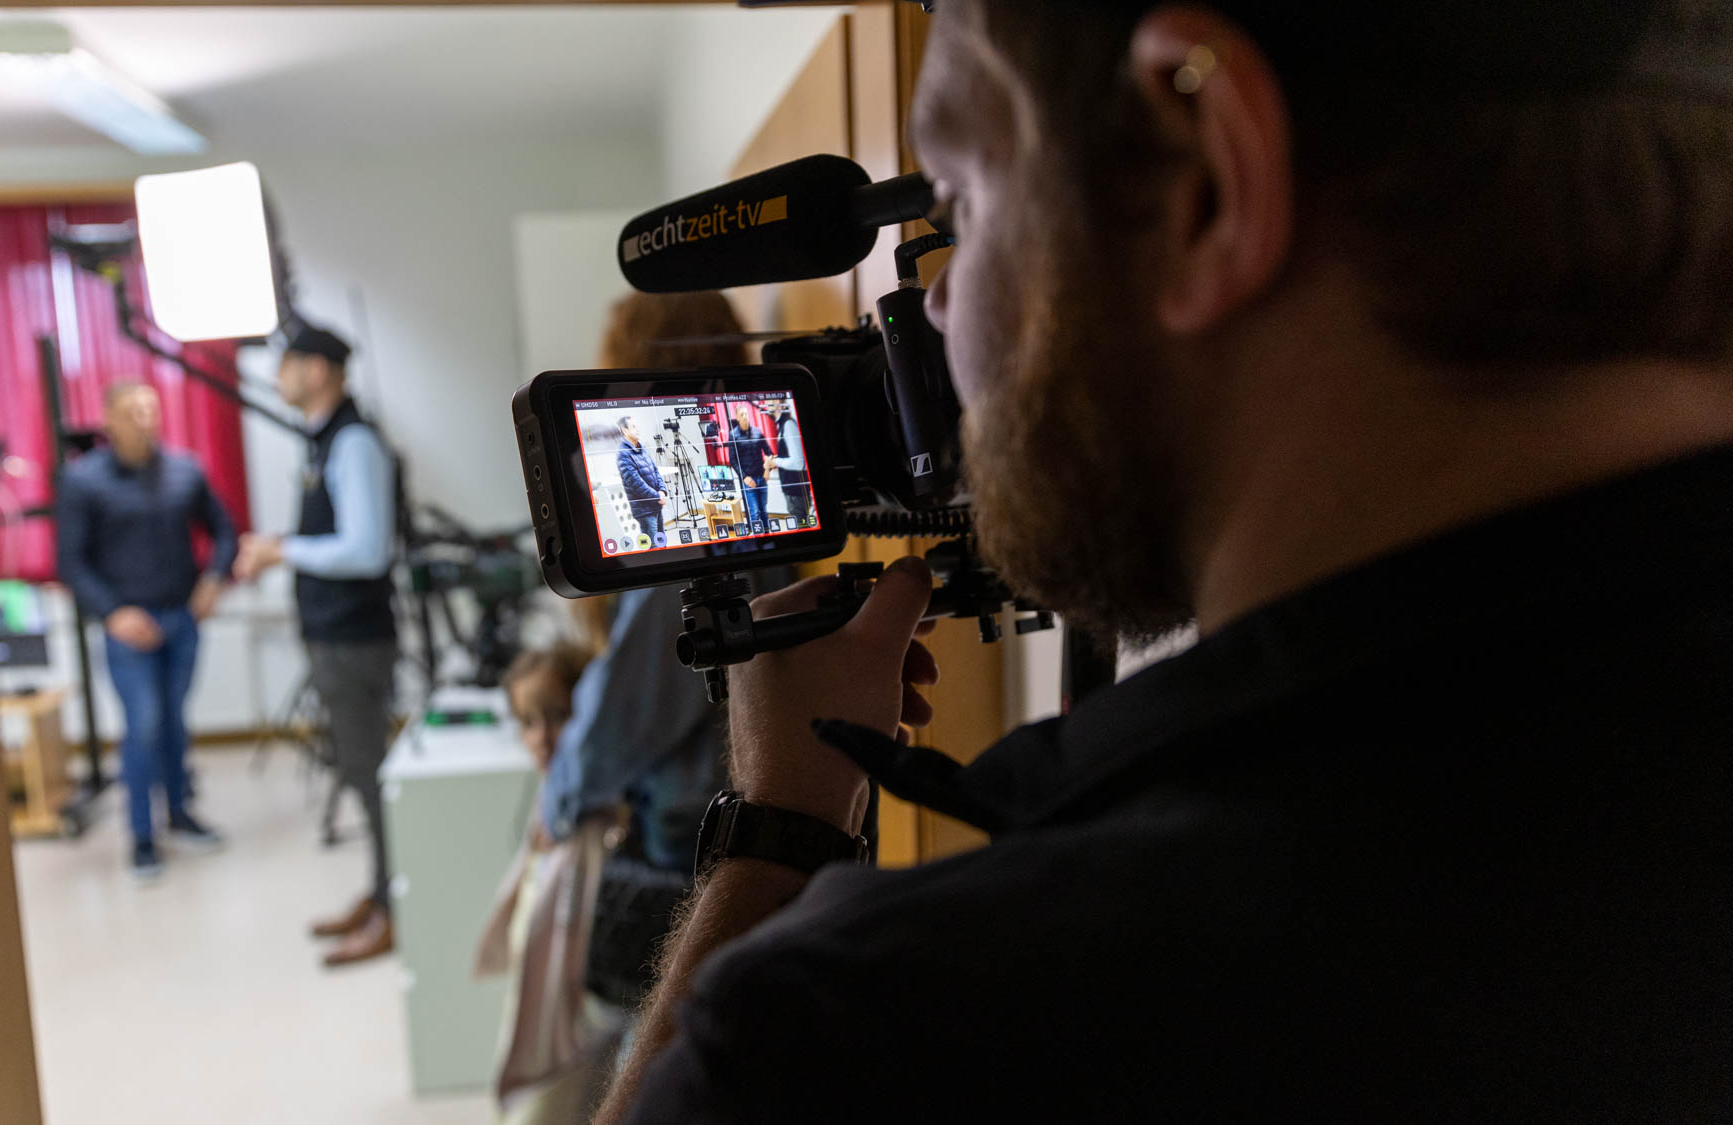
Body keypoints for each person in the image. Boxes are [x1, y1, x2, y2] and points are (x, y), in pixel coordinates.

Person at [600, 0, 1733, 1120]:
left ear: (1203, 184)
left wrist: (777, 833)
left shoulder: (884, 1033)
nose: (935, 309)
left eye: (963, 203)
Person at [233, 324, 399, 967]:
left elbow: (367, 549)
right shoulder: (323, 441)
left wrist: (284, 551)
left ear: (318, 370)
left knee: (370, 774)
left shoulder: (353, 442)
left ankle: (394, 908)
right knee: (359, 771)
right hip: (334, 638)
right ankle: (382, 892)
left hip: (354, 640)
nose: (277, 378)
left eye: (287, 365)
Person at [55, 381, 235, 880]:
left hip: (181, 618)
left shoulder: (184, 471)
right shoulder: (83, 482)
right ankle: (141, 836)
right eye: (132, 411)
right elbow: (71, 562)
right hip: (128, 627)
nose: (144, 420)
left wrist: (213, 580)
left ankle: (179, 812)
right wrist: (113, 613)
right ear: (108, 420)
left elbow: (224, 532)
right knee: (144, 724)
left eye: (151, 410)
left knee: (174, 720)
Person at [474, 642, 626, 1125]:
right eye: (527, 721)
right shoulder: (551, 803)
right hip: (538, 998)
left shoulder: (600, 822)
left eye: (558, 716)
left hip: (575, 1020)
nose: (541, 738)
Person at [613, 416, 668, 550]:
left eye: (637, 426)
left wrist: (662, 490)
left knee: (662, 544)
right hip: (644, 510)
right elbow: (636, 484)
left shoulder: (642, 448)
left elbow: (655, 471)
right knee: (653, 548)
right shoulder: (623, 454)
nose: (638, 429)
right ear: (625, 431)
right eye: (634, 427)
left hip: (655, 505)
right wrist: (657, 496)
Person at [760, 399, 808, 528]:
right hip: (792, 490)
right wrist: (775, 458)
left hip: (795, 491)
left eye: (769, 399)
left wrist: (774, 462)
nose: (765, 403)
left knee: (801, 526)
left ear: (778, 402)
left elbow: (799, 463)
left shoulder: (788, 425)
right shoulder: (782, 425)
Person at [725, 405, 770, 534]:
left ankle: (768, 537)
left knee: (763, 510)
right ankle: (758, 540)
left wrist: (767, 470)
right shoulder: (733, 435)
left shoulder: (757, 432)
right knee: (755, 512)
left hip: (762, 478)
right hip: (748, 481)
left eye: (746, 414)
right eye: (742, 414)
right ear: (737, 418)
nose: (745, 417)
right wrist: (744, 477)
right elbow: (733, 460)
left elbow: (768, 452)